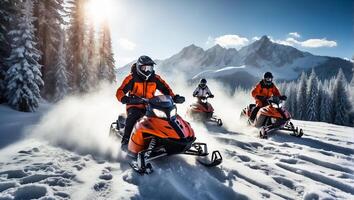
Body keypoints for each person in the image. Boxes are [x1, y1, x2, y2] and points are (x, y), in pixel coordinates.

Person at [116, 55, 183, 148]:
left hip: (151, 105)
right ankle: (125, 141)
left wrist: (174, 97)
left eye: (150, 68)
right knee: (133, 117)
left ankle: (174, 139)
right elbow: (120, 91)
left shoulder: (155, 78)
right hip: (135, 105)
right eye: (145, 68)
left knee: (168, 117)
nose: (147, 70)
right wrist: (124, 98)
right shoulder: (131, 78)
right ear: (139, 67)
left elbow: (166, 89)